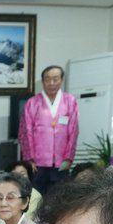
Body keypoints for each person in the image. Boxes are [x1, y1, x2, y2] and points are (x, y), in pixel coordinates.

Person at [18, 65, 79, 194]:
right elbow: (25, 131)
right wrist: (30, 159)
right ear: (43, 81)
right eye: (47, 79)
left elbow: (73, 131)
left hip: (61, 161)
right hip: (38, 163)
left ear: (61, 80)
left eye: (55, 79)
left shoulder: (70, 101)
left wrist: (69, 158)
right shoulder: (32, 103)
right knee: (37, 197)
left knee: (59, 198)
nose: (51, 83)